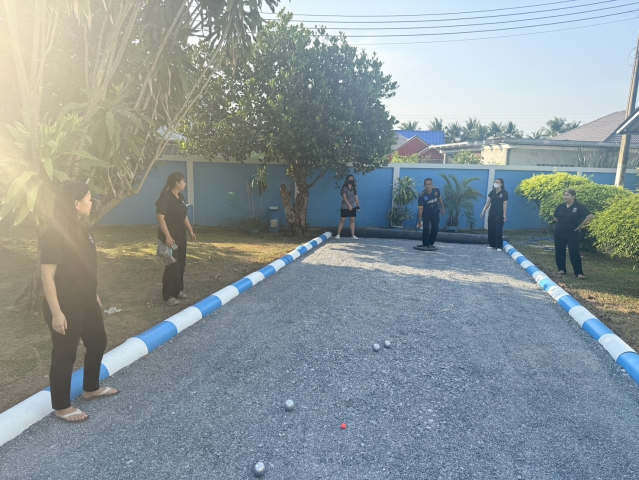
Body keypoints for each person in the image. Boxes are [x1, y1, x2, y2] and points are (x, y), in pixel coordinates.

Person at [40, 182, 118, 423]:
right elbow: (47, 276)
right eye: (88, 199)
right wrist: (56, 312)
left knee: (98, 341)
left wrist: (93, 293)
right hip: (65, 304)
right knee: (65, 353)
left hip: (87, 299)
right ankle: (62, 406)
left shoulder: (84, 228)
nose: (91, 203)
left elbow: (83, 265)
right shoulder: (54, 233)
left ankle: (91, 388)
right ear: (76, 203)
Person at [156, 172, 196, 305]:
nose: (185, 183)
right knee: (172, 265)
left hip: (181, 235)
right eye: (183, 181)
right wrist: (167, 236)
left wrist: (190, 230)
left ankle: (177, 290)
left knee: (180, 263)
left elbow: (183, 215)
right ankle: (168, 296)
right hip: (170, 237)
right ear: (176, 183)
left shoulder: (181, 197)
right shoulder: (166, 198)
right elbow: (160, 217)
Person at [552, 188, 594, 279]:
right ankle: (561, 269)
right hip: (559, 232)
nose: (565, 197)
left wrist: (580, 226)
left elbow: (590, 216)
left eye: (567, 195)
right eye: (564, 195)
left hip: (573, 233)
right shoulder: (560, 206)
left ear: (573, 196)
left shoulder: (579, 207)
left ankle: (579, 273)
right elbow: (555, 218)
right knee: (559, 251)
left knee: (574, 252)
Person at [480, 177, 509, 251]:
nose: (496, 183)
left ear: (501, 184)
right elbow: (488, 202)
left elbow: (505, 204)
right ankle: (492, 244)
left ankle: (499, 246)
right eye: (495, 182)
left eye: (497, 182)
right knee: (491, 228)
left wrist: (504, 214)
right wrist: (483, 211)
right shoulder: (492, 192)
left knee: (498, 229)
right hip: (492, 213)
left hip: (499, 214)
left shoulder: (504, 193)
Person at [417, 178, 445, 250]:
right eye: (426, 185)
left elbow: (439, 199)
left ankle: (430, 243)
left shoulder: (436, 190)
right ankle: (425, 244)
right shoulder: (422, 196)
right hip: (426, 212)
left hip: (435, 211)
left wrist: (442, 208)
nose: (428, 186)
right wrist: (419, 222)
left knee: (435, 228)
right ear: (424, 186)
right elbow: (420, 210)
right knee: (426, 228)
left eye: (429, 184)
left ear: (432, 185)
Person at [336, 174, 360, 239]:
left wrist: (358, 205)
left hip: (353, 205)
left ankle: (353, 235)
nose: (351, 180)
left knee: (352, 220)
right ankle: (338, 234)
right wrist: (349, 205)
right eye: (350, 179)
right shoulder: (344, 188)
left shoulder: (354, 188)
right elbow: (344, 198)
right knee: (343, 219)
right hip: (345, 206)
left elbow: (356, 197)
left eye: (352, 179)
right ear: (347, 180)